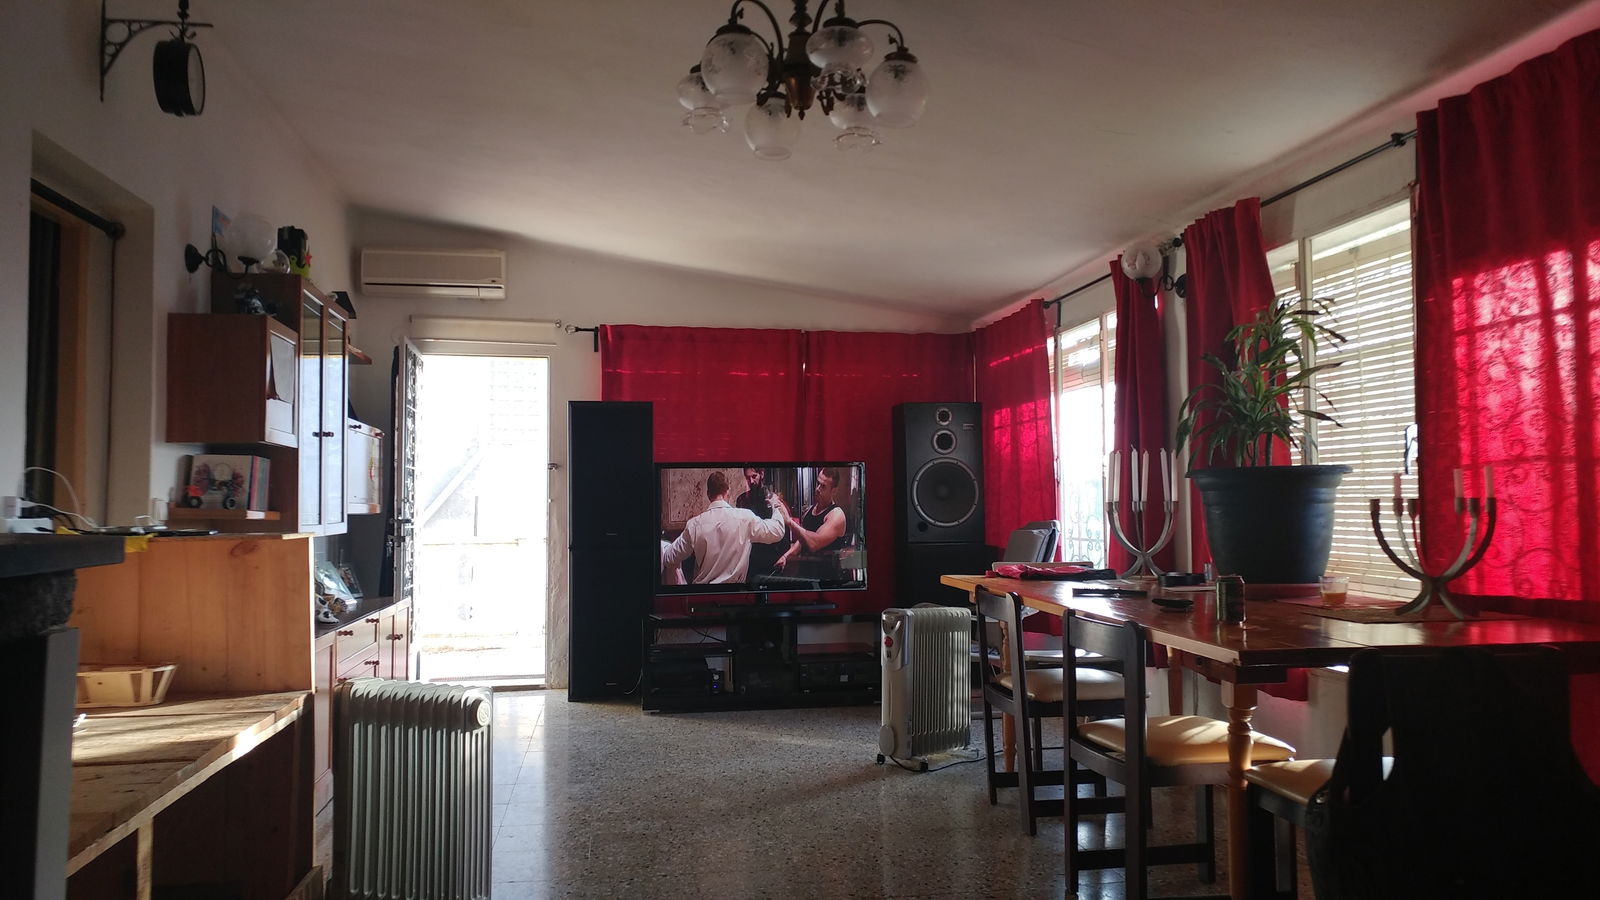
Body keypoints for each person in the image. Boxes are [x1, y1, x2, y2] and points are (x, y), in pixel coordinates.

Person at [661, 470, 789, 585]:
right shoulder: (745, 518)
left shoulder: (694, 525)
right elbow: (777, 531)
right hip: (735, 596)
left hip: (701, 599)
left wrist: (664, 545)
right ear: (727, 492)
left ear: (708, 495)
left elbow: (669, 558)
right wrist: (776, 506)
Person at [777, 467, 850, 579]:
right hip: (807, 576)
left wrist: (790, 522)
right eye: (818, 483)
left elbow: (814, 544)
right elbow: (802, 540)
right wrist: (785, 557)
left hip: (827, 580)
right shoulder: (811, 510)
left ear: (834, 490)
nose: (817, 488)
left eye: (823, 486)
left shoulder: (836, 515)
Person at [735, 467, 790, 581]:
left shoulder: (774, 500)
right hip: (751, 559)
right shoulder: (741, 500)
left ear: (762, 474)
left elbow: (785, 531)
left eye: (754, 476)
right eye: (747, 478)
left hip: (772, 559)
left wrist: (784, 556)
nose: (751, 481)